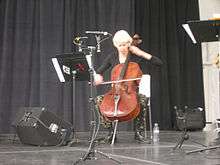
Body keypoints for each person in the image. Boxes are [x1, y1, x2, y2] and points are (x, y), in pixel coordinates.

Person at [94, 30, 162, 143]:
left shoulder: (135, 56)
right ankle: (110, 134)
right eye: (119, 45)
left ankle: (138, 133)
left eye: (125, 45)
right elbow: (99, 71)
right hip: (115, 92)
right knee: (98, 100)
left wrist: (141, 53)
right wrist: (97, 76)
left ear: (129, 43)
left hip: (131, 92)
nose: (122, 48)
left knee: (143, 100)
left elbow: (159, 63)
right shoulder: (113, 57)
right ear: (116, 45)